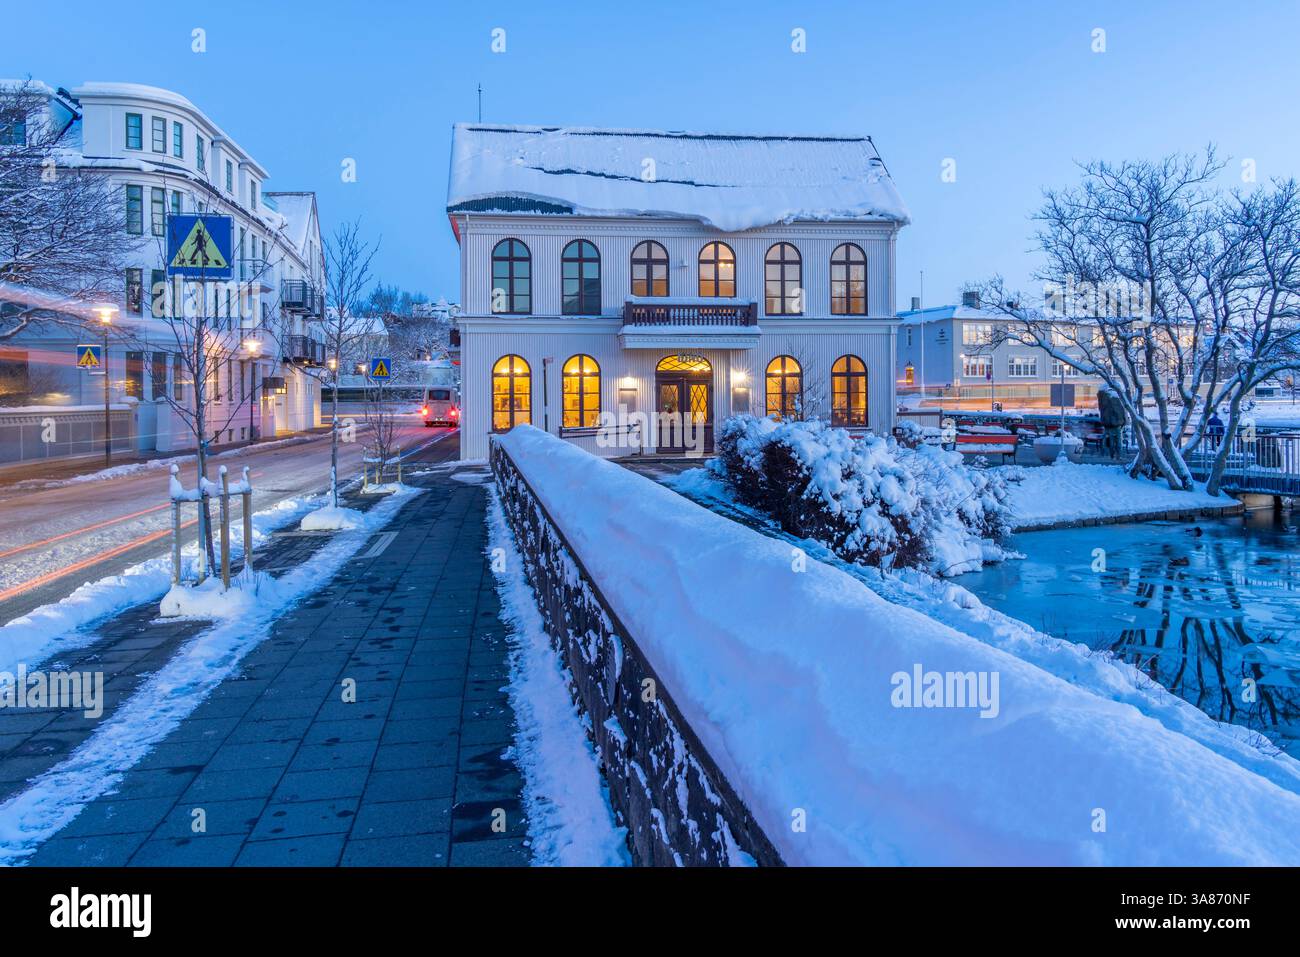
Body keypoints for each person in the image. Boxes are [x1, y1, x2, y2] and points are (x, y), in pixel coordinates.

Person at [1096, 386, 1127, 460]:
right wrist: (1124, 422)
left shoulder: (1104, 400)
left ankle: (1112, 455)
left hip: (1108, 424)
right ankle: (1118, 456)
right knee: (1118, 441)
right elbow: (1121, 413)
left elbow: (1102, 412)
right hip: (1117, 424)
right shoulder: (1117, 400)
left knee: (1111, 441)